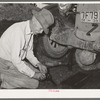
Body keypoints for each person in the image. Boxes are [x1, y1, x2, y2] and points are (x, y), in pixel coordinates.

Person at [0, 8, 54, 89]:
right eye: (41, 28)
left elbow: (28, 52)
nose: (41, 32)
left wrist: (38, 64)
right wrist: (34, 75)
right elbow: (16, 60)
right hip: (5, 62)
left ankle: (8, 76)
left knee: (37, 73)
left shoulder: (29, 30)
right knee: (34, 82)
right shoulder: (18, 32)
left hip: (14, 60)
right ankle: (3, 79)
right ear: (35, 20)